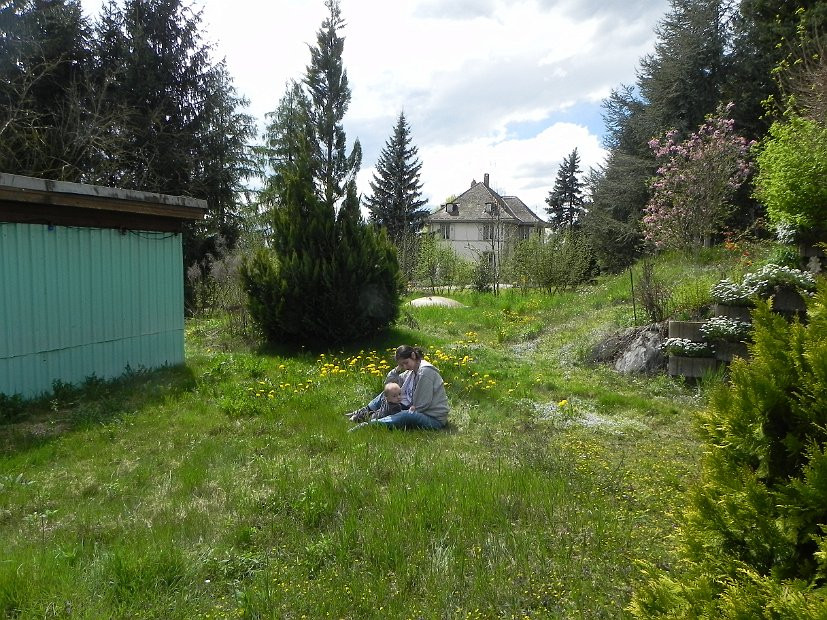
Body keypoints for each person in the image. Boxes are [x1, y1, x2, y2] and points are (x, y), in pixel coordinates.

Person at [348, 345, 449, 431]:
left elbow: (423, 403)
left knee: (407, 415)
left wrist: (406, 410)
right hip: (416, 409)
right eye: (402, 365)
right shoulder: (411, 371)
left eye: (406, 363)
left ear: (413, 356)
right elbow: (390, 384)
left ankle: (371, 424)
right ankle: (364, 412)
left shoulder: (425, 372)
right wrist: (397, 369)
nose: (405, 367)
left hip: (433, 418)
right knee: (390, 391)